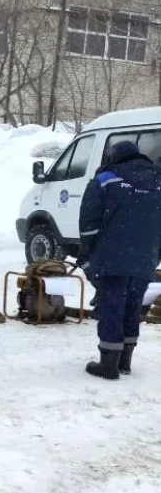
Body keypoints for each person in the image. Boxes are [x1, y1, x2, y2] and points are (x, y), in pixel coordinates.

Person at [76, 140, 161, 379]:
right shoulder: (157, 182)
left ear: (113, 157)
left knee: (112, 306)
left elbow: (89, 225)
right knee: (133, 307)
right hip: (145, 259)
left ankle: (108, 364)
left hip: (112, 258)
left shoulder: (105, 180)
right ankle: (125, 360)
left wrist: (87, 253)